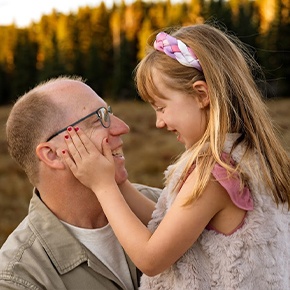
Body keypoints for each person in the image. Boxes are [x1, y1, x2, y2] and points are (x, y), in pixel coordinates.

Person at [60, 23, 290, 289]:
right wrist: (120, 184)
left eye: (161, 107)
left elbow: (150, 257)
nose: (159, 122)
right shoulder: (246, 157)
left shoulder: (216, 174)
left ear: (201, 94)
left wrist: (103, 186)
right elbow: (170, 225)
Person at [0, 76, 161, 290]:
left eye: (110, 113)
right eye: (99, 119)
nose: (122, 127)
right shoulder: (21, 278)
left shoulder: (162, 205)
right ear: (52, 155)